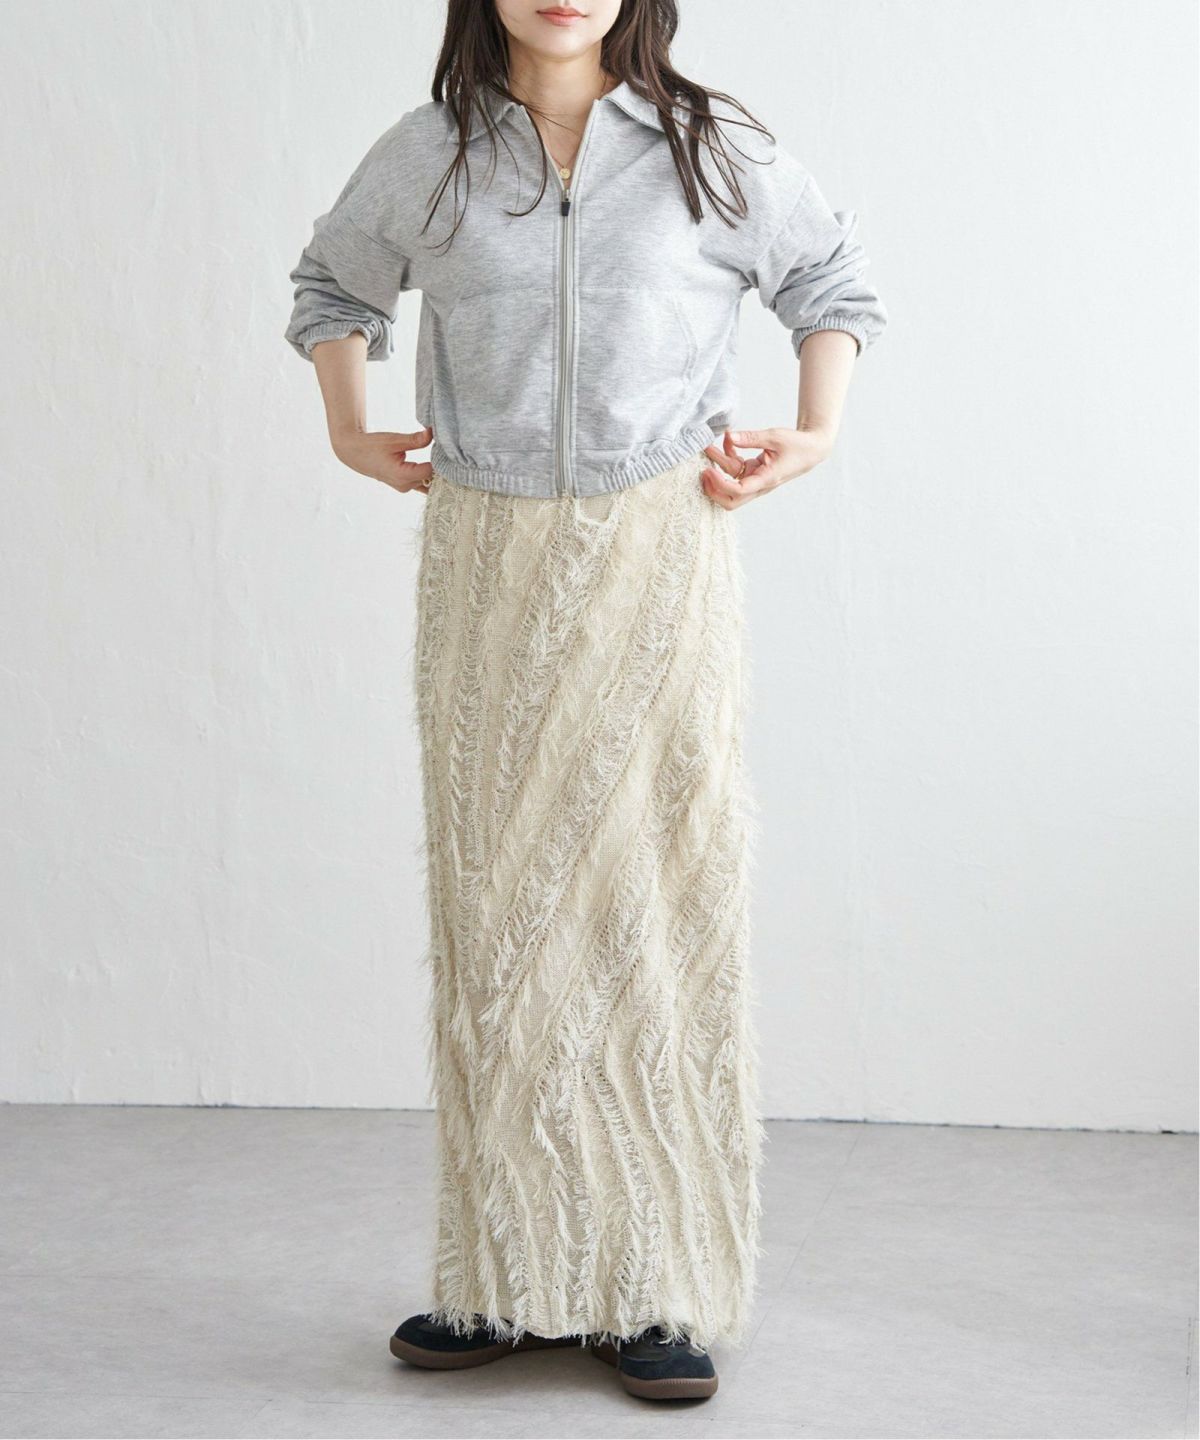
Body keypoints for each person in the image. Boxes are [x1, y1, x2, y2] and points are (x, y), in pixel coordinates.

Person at [284, 0, 887, 1403]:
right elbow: (331, 284)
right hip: (486, 562)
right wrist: (348, 426)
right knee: (501, 914)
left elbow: (831, 280)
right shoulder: (432, 151)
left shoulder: (706, 148)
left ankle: (651, 1286)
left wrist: (816, 430)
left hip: (656, 555)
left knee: (653, 900)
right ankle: (506, 1276)